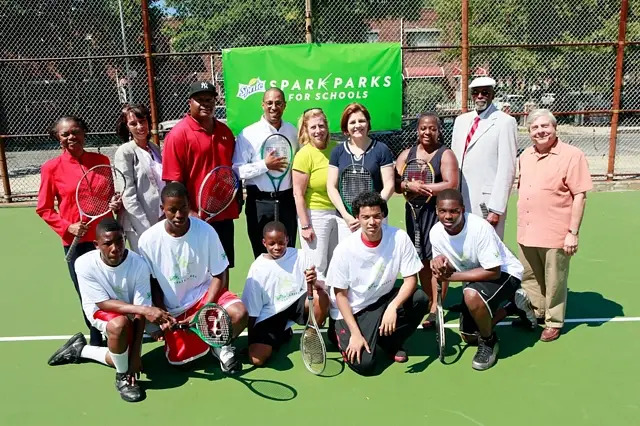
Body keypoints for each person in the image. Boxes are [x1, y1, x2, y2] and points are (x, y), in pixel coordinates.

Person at [47, 218, 175, 402]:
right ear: (96, 244)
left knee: (133, 348)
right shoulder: (83, 264)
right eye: (107, 243)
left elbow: (140, 313)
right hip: (101, 310)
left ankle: (81, 350)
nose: (115, 248)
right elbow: (103, 303)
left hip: (132, 311)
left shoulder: (138, 264)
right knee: (119, 325)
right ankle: (123, 377)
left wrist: (136, 355)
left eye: (119, 241)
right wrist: (144, 311)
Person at [138, 182, 248, 373]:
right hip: (175, 310)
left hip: (205, 297)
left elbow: (220, 272)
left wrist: (207, 310)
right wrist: (164, 315)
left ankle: (220, 345)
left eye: (183, 208)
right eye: (172, 210)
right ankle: (209, 336)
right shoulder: (147, 241)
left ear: (189, 205)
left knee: (239, 313)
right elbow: (151, 282)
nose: (179, 215)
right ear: (162, 209)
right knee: (179, 361)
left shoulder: (206, 231)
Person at [429, 189, 536, 371]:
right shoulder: (436, 232)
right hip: (475, 277)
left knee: (471, 295)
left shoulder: (479, 228)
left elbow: (493, 272)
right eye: (443, 211)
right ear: (436, 210)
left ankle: (489, 341)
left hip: (506, 273)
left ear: (462, 209)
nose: (448, 216)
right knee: (469, 336)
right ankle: (513, 306)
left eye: (454, 211)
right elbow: (446, 265)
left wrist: (452, 277)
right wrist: (439, 263)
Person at [326, 191, 428, 376]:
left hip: (382, 300)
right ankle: (337, 334)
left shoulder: (399, 238)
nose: (371, 222)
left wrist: (393, 307)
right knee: (365, 365)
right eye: (365, 217)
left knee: (419, 298)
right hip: (353, 310)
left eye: (376, 216)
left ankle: (390, 342)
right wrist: (355, 334)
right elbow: (340, 296)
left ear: (383, 216)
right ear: (357, 218)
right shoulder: (345, 249)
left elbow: (411, 280)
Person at [36, 115, 118, 346]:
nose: (72, 137)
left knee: (112, 287)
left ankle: (116, 331)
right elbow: (43, 208)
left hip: (107, 238)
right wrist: (67, 226)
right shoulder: (51, 168)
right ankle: (95, 336)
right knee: (87, 291)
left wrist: (115, 203)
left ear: (84, 132)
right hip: (76, 242)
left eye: (76, 131)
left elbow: (109, 196)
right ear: (58, 138)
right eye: (65, 134)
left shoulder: (101, 160)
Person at [517, 109, 592, 342]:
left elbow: (579, 195)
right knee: (530, 277)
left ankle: (553, 321)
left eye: (545, 127)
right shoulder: (525, 156)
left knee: (555, 279)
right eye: (535, 128)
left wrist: (573, 233)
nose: (540, 131)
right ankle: (537, 312)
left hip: (555, 232)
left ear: (555, 128)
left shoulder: (572, 155)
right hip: (527, 231)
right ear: (529, 132)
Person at [162, 81, 239, 270]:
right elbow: (173, 184)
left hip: (223, 215)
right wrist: (189, 212)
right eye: (200, 100)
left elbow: (231, 171)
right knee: (197, 270)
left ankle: (220, 301)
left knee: (223, 267)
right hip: (193, 218)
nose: (205, 104)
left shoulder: (225, 132)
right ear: (190, 102)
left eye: (210, 99)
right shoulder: (178, 135)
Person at [395, 112, 459, 328]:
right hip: (413, 213)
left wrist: (422, 188)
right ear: (417, 130)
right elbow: (396, 183)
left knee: (437, 260)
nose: (427, 132)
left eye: (432, 128)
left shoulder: (446, 154)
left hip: (437, 214)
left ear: (439, 131)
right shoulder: (407, 154)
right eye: (423, 128)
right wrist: (407, 186)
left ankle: (435, 307)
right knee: (420, 258)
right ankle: (431, 300)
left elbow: (451, 183)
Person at [242, 221, 329, 366]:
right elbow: (252, 311)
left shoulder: (301, 255)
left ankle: (312, 334)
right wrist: (252, 340)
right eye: (272, 244)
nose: (277, 247)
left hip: (296, 305)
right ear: (264, 243)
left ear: (287, 240)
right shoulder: (258, 268)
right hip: (270, 314)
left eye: (281, 243)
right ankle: (281, 333)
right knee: (257, 360)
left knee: (322, 297)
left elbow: (323, 286)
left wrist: (314, 282)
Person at [233, 88, 299, 258]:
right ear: (262, 105)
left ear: (284, 105)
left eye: (278, 103)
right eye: (269, 103)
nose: (273, 107)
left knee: (288, 252)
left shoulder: (293, 132)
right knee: (262, 254)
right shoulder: (248, 134)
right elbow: (237, 170)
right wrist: (265, 165)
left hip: (287, 201)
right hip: (259, 202)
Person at [450, 76, 517, 239]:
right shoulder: (461, 121)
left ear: (492, 95)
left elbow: (507, 169)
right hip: (460, 199)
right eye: (476, 93)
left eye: (485, 93)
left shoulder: (505, 122)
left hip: (486, 202)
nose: (480, 96)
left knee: (488, 250)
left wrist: (496, 208)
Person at [326, 103, 395, 242]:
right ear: (346, 127)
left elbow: (389, 185)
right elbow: (331, 187)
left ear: (368, 123)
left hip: (374, 219)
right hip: (347, 220)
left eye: (361, 121)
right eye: (352, 122)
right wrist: (346, 215)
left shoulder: (381, 149)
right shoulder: (337, 152)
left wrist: (371, 213)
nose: (357, 125)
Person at [292, 108, 339, 284]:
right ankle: (317, 308)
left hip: (338, 214)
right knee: (317, 266)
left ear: (327, 127)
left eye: (321, 126)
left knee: (337, 262)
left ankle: (336, 308)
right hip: (316, 215)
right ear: (306, 130)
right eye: (313, 127)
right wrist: (305, 225)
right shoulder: (304, 155)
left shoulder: (337, 149)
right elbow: (298, 193)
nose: (318, 131)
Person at [114, 104, 164, 252]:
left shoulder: (154, 147)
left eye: (142, 121)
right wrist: (145, 228)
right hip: (139, 225)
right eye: (133, 123)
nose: (140, 126)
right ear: (127, 127)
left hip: (161, 218)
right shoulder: (125, 152)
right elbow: (127, 195)